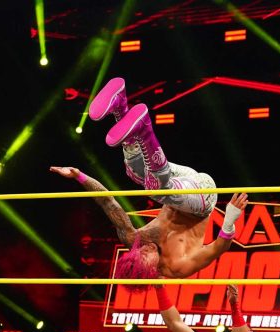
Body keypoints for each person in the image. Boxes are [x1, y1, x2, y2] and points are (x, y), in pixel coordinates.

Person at [50, 77, 248, 292]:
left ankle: (120, 107)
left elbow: (107, 202)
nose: (146, 248)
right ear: (154, 272)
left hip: (177, 185)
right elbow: (219, 248)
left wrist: (79, 176)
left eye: (140, 251)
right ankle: (144, 129)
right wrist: (230, 218)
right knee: (155, 188)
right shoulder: (178, 267)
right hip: (203, 197)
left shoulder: (133, 240)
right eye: (147, 255)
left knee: (136, 174)